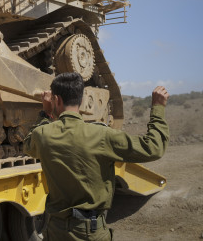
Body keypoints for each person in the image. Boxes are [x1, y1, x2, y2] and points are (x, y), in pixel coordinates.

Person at [23, 72, 169, 240]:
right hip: (90, 232)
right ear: (82, 99)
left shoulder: (43, 134)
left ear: (56, 100)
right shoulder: (101, 135)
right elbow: (153, 147)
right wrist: (158, 108)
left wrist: (45, 114)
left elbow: (28, 144)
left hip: (55, 231)